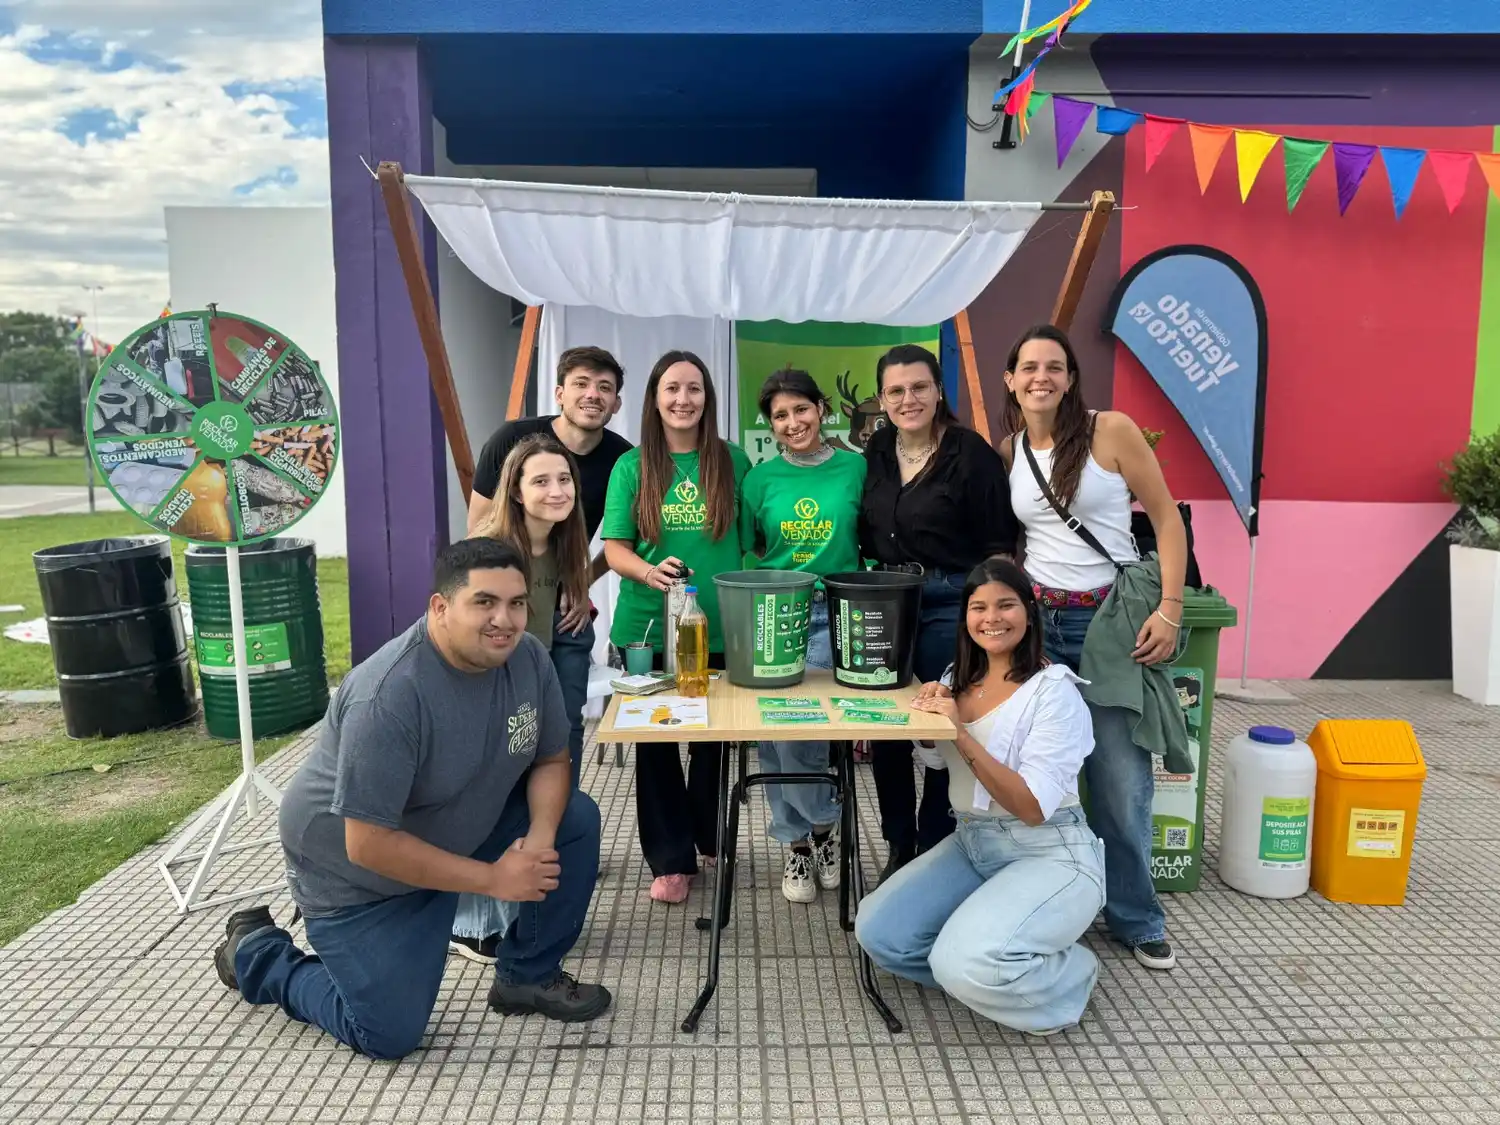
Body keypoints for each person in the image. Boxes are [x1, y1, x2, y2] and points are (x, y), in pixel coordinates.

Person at [212, 539, 611, 1061]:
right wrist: (494, 879)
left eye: (517, 604)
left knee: (573, 819)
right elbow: (369, 844)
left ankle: (526, 976)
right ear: (440, 608)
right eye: (484, 603)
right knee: (388, 1033)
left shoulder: (529, 658)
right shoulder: (390, 695)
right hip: (357, 872)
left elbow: (551, 759)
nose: (505, 620)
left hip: (457, 824)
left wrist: (535, 846)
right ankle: (259, 955)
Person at [999, 323, 1189, 972]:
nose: (1040, 377)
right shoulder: (1013, 449)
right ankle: (1061, 903)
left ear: (1071, 377)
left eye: (1054, 366)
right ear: (1010, 379)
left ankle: (1137, 917)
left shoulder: (1112, 431)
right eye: (1028, 367)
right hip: (1041, 626)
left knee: (1118, 777)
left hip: (1109, 624)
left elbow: (1165, 518)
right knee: (1044, 776)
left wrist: (1170, 606)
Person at [855, 556, 1104, 1036]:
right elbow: (937, 763)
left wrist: (959, 734)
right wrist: (930, 730)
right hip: (973, 842)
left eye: (1006, 605)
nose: (992, 618)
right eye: (979, 607)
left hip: (1050, 851)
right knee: (880, 932)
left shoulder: (1053, 691)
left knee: (961, 960)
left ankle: (1068, 973)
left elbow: (1032, 807)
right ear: (965, 616)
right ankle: (982, 965)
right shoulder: (956, 677)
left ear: (1029, 612)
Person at [857, 344, 1019, 883]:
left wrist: (989, 622)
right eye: (897, 390)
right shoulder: (877, 450)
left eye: (919, 387)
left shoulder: (970, 454)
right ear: (883, 399)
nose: (909, 399)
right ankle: (899, 843)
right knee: (885, 728)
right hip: (888, 603)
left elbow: (999, 547)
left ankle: (936, 844)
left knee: (942, 724)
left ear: (938, 390)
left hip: (952, 602)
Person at [601, 350, 752, 904]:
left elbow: (753, 541)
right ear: (655, 399)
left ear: (708, 398)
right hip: (645, 629)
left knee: (715, 736)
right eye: (672, 389)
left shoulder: (733, 461)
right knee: (656, 745)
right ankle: (670, 859)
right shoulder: (632, 466)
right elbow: (614, 547)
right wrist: (648, 571)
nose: (683, 399)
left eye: (694, 389)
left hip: (720, 628)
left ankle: (708, 837)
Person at [450, 433, 593, 964]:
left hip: (534, 680)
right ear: (514, 490)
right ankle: (469, 921)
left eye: (564, 480)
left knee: (547, 784)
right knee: (492, 794)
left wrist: (577, 594)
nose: (556, 491)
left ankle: (531, 890)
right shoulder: (489, 551)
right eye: (541, 481)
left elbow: (557, 598)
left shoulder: (561, 540)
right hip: (485, 688)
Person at [468, 346, 633, 789]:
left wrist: (582, 585)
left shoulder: (623, 459)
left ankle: (559, 820)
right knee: (504, 722)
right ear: (560, 393)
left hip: (566, 609)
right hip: (509, 604)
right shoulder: (512, 441)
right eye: (581, 384)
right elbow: (477, 531)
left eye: (604, 388)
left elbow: (625, 541)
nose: (592, 395)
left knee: (563, 723)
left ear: (616, 403)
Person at [739, 368, 866, 903]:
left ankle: (819, 828)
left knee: (801, 731)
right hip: (774, 611)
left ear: (822, 409)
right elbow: (750, 548)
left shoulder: (857, 468)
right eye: (780, 416)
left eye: (802, 410)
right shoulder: (759, 480)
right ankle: (801, 845)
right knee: (773, 733)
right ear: (770, 425)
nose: (794, 423)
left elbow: (872, 537)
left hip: (832, 612)